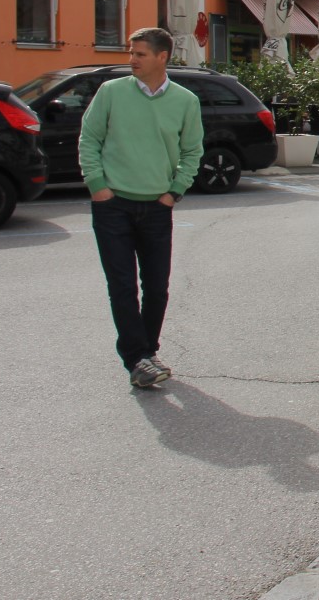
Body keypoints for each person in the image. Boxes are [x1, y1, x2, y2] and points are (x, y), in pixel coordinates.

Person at [80, 27, 204, 389]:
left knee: (157, 287)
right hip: (112, 205)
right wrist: (98, 187)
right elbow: (89, 139)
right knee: (121, 285)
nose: (131, 59)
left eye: (140, 54)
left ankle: (147, 353)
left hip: (156, 206)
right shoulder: (111, 92)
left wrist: (174, 192)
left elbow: (193, 151)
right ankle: (137, 357)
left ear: (162, 56)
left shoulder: (185, 101)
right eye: (131, 53)